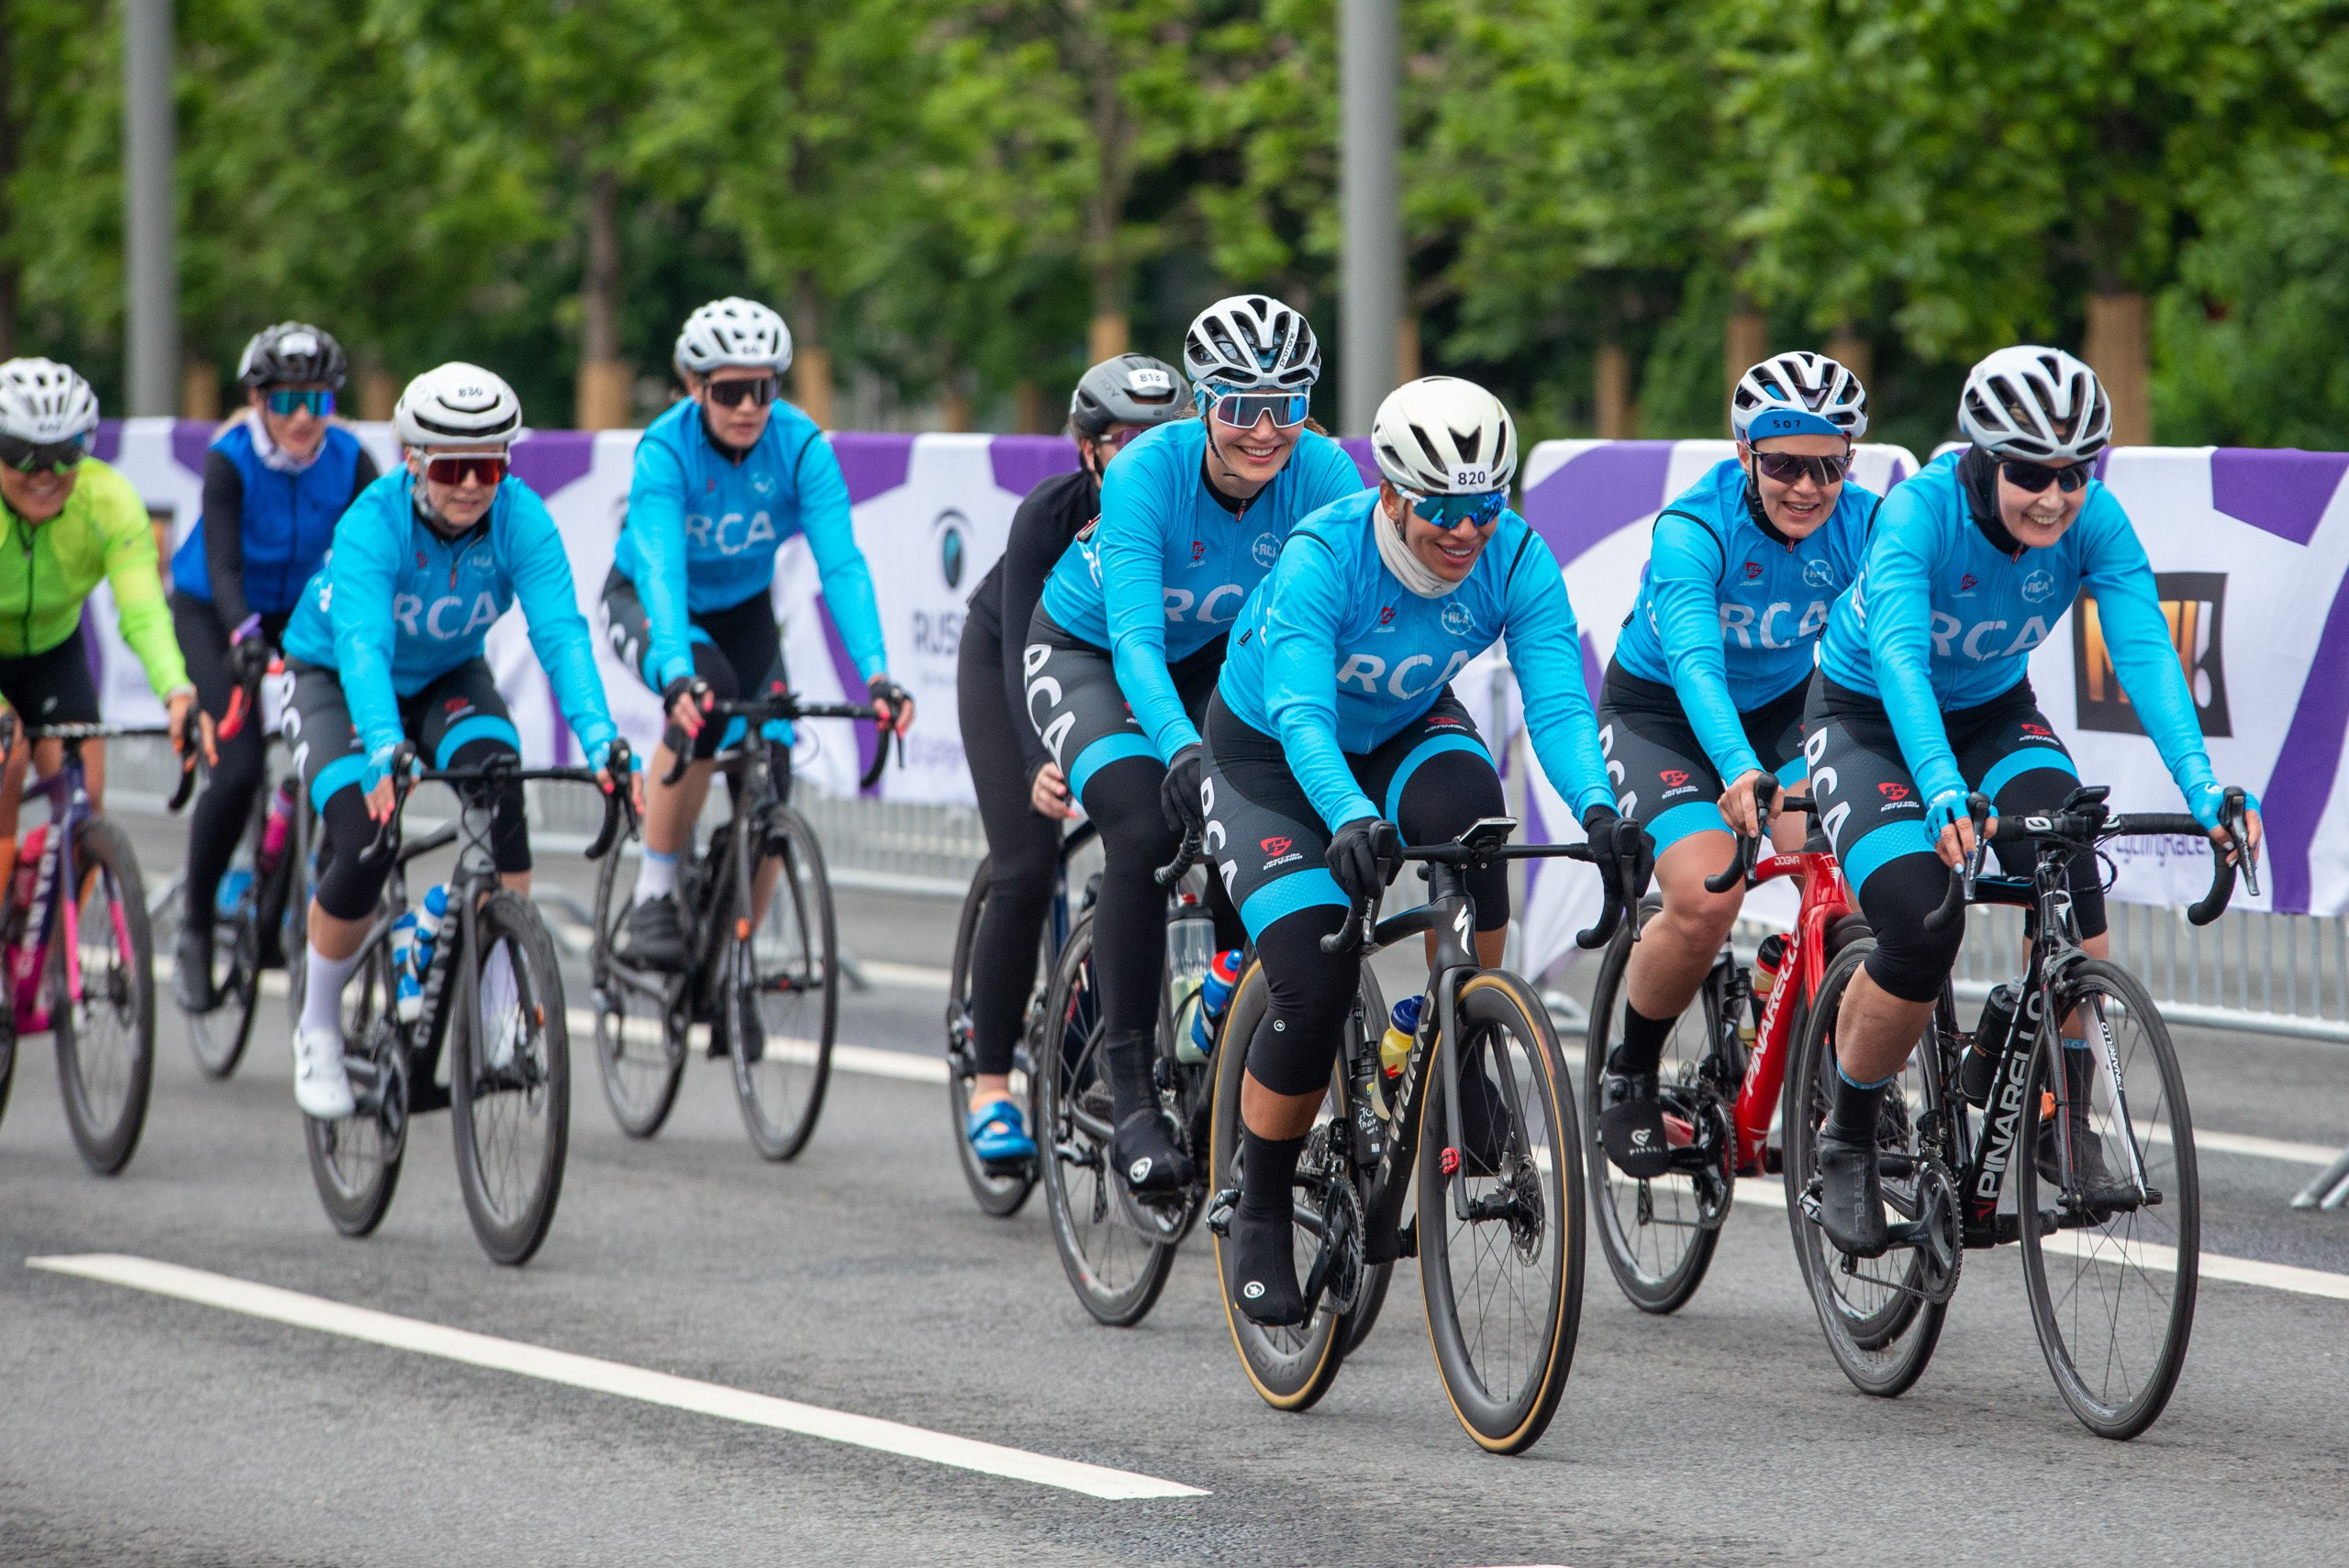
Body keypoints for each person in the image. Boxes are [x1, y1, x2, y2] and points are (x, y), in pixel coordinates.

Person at [1201, 375, 1649, 1324]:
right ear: (1393, 495)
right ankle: (1262, 1198)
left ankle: (1464, 1043)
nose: (1464, 529)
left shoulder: (1515, 556)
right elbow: (1300, 714)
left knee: (1474, 814)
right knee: (1312, 976)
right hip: (1273, 752)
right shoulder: (1329, 553)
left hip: (1403, 723)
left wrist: (1603, 811)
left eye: (1483, 506)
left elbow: (1559, 705)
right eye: (1440, 508)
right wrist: (1351, 816)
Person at [1805, 346, 2262, 1255]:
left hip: (1990, 714)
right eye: (2029, 474)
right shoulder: (1919, 513)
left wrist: (2204, 789)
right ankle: (1847, 1136)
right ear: (1979, 456)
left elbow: (2142, 650)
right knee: (1919, 926)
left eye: (2073, 473)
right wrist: (1938, 789)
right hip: (1869, 719)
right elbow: (1899, 659)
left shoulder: (2095, 519)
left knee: (2071, 875)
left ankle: (2062, 1113)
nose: (2054, 496)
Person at [1025, 294, 1363, 1199]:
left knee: (1252, 834)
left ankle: (1230, 1040)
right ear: (1201, 403)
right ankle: (1129, 1090)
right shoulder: (1148, 473)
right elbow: (1134, 639)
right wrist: (1176, 747)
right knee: (1143, 827)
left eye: (1284, 405)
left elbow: (1343, 623)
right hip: (1092, 652)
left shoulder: (1325, 473)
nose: (1262, 429)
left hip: (1220, 662)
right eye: (1238, 405)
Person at [281, 363, 629, 1119]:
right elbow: (365, 647)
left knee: (499, 789)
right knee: (365, 833)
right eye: (451, 466)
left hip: (445, 674)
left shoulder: (522, 518)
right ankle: (317, 1027)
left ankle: (499, 1003)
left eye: (490, 464)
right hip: (335, 677)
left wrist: (602, 739)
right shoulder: (372, 524)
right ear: (413, 461)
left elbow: (562, 636)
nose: (473, 484)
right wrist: (382, 746)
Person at [1592, 352, 1877, 1176]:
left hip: (1786, 716)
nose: (1805, 486)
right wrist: (1737, 767)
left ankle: (1824, 1034)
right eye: (1783, 463)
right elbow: (1693, 662)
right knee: (1701, 898)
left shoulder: (1866, 525)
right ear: (1745, 451)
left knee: (1861, 888)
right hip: (1668, 716)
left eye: (1827, 466)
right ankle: (1632, 1068)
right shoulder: (1695, 527)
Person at [602, 296, 911, 971]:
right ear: (695, 388)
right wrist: (677, 669)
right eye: (731, 391)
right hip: (654, 602)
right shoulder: (666, 449)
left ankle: (733, 964)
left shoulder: (799, 445)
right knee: (705, 701)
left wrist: (878, 673)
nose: (749, 406)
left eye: (764, 389)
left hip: (744, 610)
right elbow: (660, 566)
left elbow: (842, 564)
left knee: (773, 772)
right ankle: (655, 890)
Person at [956, 353, 1188, 1167]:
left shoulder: (1195, 509)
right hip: (1013, 661)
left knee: (1171, 832)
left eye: (1162, 437)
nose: (1144, 455)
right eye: (1124, 439)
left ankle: (1102, 980)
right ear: (1088, 450)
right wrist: (1035, 763)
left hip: (1137, 665)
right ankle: (991, 1082)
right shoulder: (1049, 516)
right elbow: (1025, 646)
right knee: (1026, 860)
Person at [170, 322, 379, 1009]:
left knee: (336, 754)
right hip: (216, 607)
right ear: (257, 400)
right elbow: (225, 565)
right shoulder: (230, 458)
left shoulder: (351, 460)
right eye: (285, 401)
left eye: (315, 402)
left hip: (306, 610)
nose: (299, 418)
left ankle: (290, 887)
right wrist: (246, 634)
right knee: (235, 773)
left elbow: (367, 562)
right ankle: (196, 925)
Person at [0, 358, 202, 884]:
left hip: (53, 653)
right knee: (8, 764)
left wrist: (175, 690)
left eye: (66, 455)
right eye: (23, 454)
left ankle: (62, 959)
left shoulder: (108, 500)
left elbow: (142, 611)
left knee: (85, 809)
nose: (47, 475)